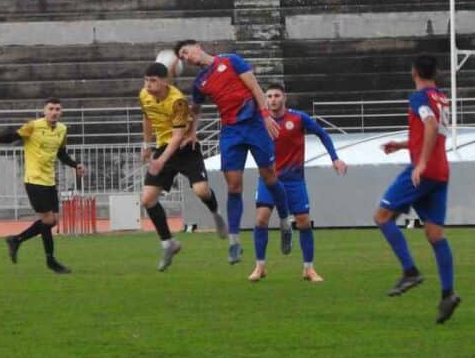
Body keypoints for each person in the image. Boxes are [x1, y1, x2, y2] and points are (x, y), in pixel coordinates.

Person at [175, 39, 292, 264]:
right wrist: (192, 132)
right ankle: (234, 242)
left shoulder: (231, 61)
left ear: (198, 46)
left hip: (255, 125)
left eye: (186, 52)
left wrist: (266, 116)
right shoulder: (200, 82)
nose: (186, 58)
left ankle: (286, 221)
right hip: (231, 132)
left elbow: (255, 87)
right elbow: (196, 109)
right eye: (182, 57)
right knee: (234, 186)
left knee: (270, 178)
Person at [375, 54, 461, 324]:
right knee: (435, 235)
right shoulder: (441, 98)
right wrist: (403, 145)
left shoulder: (419, 98)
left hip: (423, 171)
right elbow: (434, 132)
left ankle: (410, 272)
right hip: (441, 171)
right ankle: (448, 294)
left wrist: (421, 163)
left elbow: (431, 125)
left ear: (414, 72)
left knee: (382, 217)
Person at [248, 83, 348, 282]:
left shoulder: (298, 118)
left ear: (284, 98)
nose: (273, 99)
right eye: (269, 96)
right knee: (261, 220)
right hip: (269, 179)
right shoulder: (260, 120)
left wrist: (335, 158)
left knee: (303, 222)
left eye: (277, 95)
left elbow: (322, 134)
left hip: (294, 180)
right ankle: (260, 267)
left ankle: (308, 269)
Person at [139, 62, 228, 271]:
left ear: (165, 82)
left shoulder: (177, 101)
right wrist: (146, 145)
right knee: (148, 200)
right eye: (146, 80)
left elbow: (178, 136)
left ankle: (216, 213)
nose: (148, 85)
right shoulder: (144, 95)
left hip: (185, 147)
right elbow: (147, 117)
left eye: (153, 81)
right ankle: (168, 243)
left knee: (201, 190)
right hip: (164, 147)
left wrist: (161, 161)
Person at [0, 98, 87, 274]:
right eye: (51, 109)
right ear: (44, 111)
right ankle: (46, 258)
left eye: (57, 109)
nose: (54, 112)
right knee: (48, 220)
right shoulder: (33, 126)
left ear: (61, 112)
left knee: (52, 221)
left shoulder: (62, 129)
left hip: (49, 181)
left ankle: (20, 242)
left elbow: (61, 153)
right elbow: (13, 137)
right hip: (34, 180)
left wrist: (75, 165)